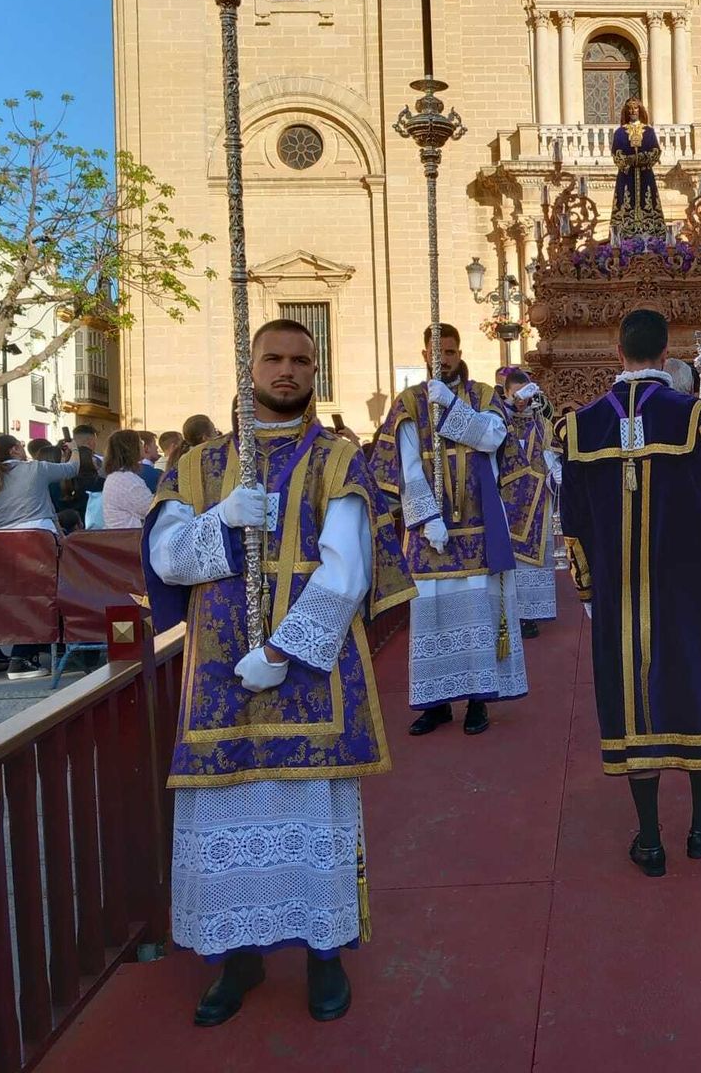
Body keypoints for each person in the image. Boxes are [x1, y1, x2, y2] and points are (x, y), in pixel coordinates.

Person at [142, 318, 413, 1027]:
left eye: (301, 359)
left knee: (312, 819)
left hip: (308, 675)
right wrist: (223, 522)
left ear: (315, 371)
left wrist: (282, 653)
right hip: (217, 679)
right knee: (228, 822)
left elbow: (348, 571)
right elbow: (167, 560)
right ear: (249, 366)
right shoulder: (196, 467)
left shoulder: (337, 458)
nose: (286, 370)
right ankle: (238, 956)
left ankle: (326, 954)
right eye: (274, 358)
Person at [556, 309, 701, 876]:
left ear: (615, 346)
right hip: (690, 579)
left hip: (617, 586)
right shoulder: (696, 419)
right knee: (697, 684)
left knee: (632, 696)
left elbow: (572, 520)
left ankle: (649, 838)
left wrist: (586, 586)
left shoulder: (580, 428)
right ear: (666, 349)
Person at [370, 323, 528, 737]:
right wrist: (426, 518)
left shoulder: (484, 396)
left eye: (452, 353)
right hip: (432, 534)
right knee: (433, 616)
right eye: (438, 354)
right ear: (425, 355)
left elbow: (494, 437)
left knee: (480, 611)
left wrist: (454, 411)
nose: (445, 360)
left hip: (479, 525)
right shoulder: (408, 403)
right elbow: (406, 467)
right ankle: (436, 703)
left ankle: (478, 700)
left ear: (460, 354)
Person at [0, 433, 80, 679]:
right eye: (20, 446)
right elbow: (72, 469)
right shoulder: (35, 469)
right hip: (39, 540)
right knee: (48, 595)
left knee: (26, 599)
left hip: (6, 543)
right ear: (14, 450)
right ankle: (23, 657)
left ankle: (28, 653)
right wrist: (75, 449)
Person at [498, 368, 559, 639]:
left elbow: (549, 453)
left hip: (536, 499)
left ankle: (529, 614)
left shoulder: (540, 422)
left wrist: (554, 473)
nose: (522, 401)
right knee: (510, 562)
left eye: (526, 393)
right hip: (507, 501)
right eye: (516, 395)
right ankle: (510, 612)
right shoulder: (499, 421)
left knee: (532, 562)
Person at [609, 96, 666, 241]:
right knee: (624, 203)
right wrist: (629, 161)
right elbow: (616, 154)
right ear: (626, 112)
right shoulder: (620, 133)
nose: (633, 111)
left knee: (649, 203)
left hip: (645, 175)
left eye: (635, 108)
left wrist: (638, 159)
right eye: (630, 108)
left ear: (640, 110)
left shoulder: (649, 131)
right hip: (626, 177)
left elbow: (655, 152)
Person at [102, 430, 156, 528]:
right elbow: (152, 508)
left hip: (120, 536)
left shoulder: (116, 476)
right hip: (130, 539)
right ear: (131, 447)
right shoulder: (127, 480)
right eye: (140, 443)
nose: (142, 446)